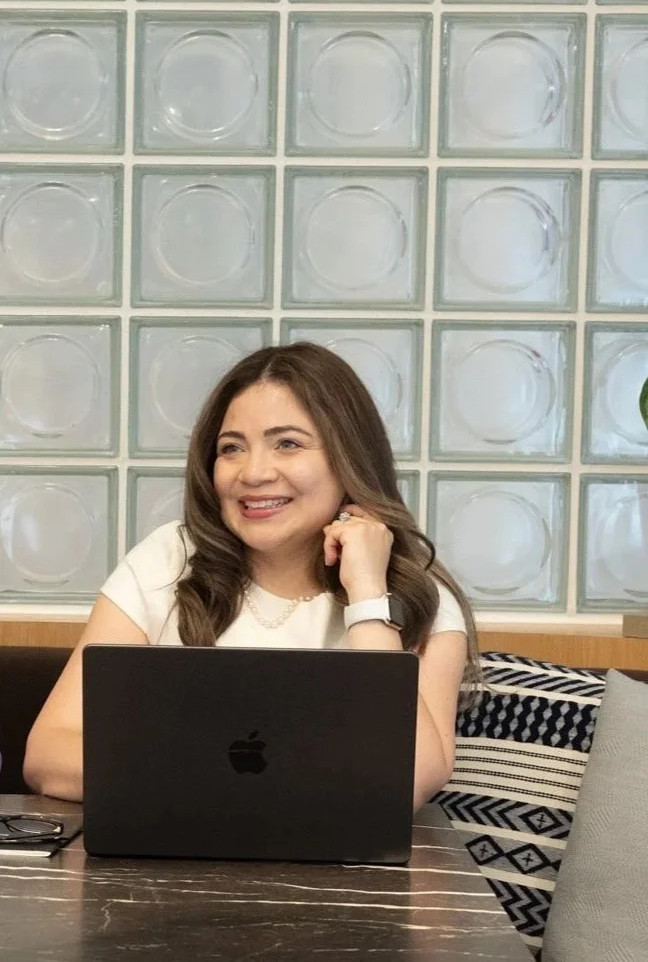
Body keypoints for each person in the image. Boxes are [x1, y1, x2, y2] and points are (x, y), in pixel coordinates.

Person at [24, 342, 479, 810]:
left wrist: (367, 593)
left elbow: (407, 781)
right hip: (168, 866)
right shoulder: (168, 558)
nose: (254, 472)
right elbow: (48, 754)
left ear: (351, 458)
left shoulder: (419, 590)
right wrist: (253, 780)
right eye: (232, 448)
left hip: (337, 876)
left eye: (288, 443)